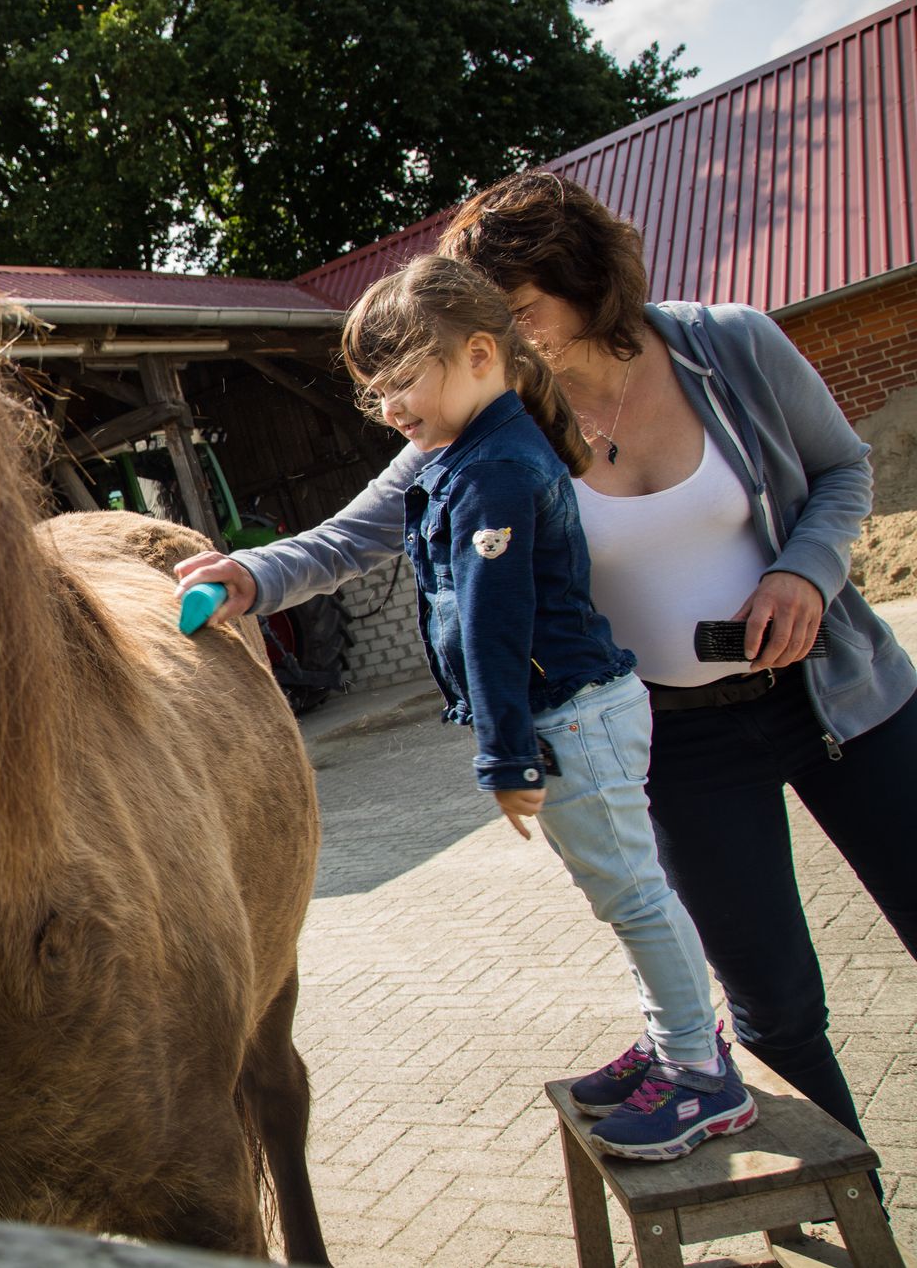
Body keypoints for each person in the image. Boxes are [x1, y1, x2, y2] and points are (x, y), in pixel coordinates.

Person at [176, 170, 917, 1157]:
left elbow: (840, 467)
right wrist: (246, 577)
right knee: (773, 1009)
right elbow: (349, 537)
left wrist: (804, 576)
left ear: (586, 281)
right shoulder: (492, 415)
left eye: (521, 310)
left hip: (840, 699)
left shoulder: (725, 344)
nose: (507, 338)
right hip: (680, 741)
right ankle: (849, 1212)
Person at [308, 253, 754, 1159]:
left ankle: (703, 1079)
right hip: (571, 711)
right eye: (376, 397)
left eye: (401, 384)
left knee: (633, 895)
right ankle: (678, 1040)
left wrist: (504, 758)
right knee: (621, 891)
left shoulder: (493, 472)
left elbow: (495, 625)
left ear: (479, 354)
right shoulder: (471, 452)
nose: (391, 412)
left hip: (569, 716)